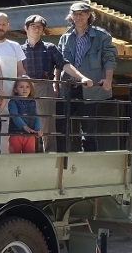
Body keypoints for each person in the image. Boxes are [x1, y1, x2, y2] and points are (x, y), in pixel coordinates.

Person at [21, 13, 92, 151]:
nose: (36, 29)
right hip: (23, 87)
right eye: (33, 26)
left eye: (40, 27)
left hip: (44, 87)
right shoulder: (18, 49)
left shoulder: (50, 48)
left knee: (47, 124)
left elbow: (64, 64)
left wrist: (82, 77)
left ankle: (50, 155)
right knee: (24, 122)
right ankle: (26, 155)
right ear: (26, 28)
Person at [56, 1, 117, 152]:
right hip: (68, 87)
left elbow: (109, 58)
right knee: (62, 127)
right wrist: (55, 83)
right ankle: (62, 160)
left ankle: (89, 160)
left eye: (81, 14)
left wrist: (108, 78)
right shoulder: (65, 37)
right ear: (71, 16)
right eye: (75, 14)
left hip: (90, 88)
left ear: (89, 15)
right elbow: (58, 62)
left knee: (89, 129)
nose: (78, 17)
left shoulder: (102, 36)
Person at [0, 11, 26, 152]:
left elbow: (21, 70)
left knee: (13, 131)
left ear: (8, 26)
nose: (1, 27)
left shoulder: (15, 46)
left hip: (13, 98)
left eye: (4, 24)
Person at [7, 77, 42, 153]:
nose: (25, 89)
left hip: (30, 134)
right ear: (16, 89)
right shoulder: (13, 101)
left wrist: (37, 129)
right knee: (15, 157)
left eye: (27, 87)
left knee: (29, 157)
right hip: (16, 134)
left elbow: (36, 116)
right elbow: (14, 115)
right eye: (21, 87)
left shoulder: (32, 102)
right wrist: (24, 127)